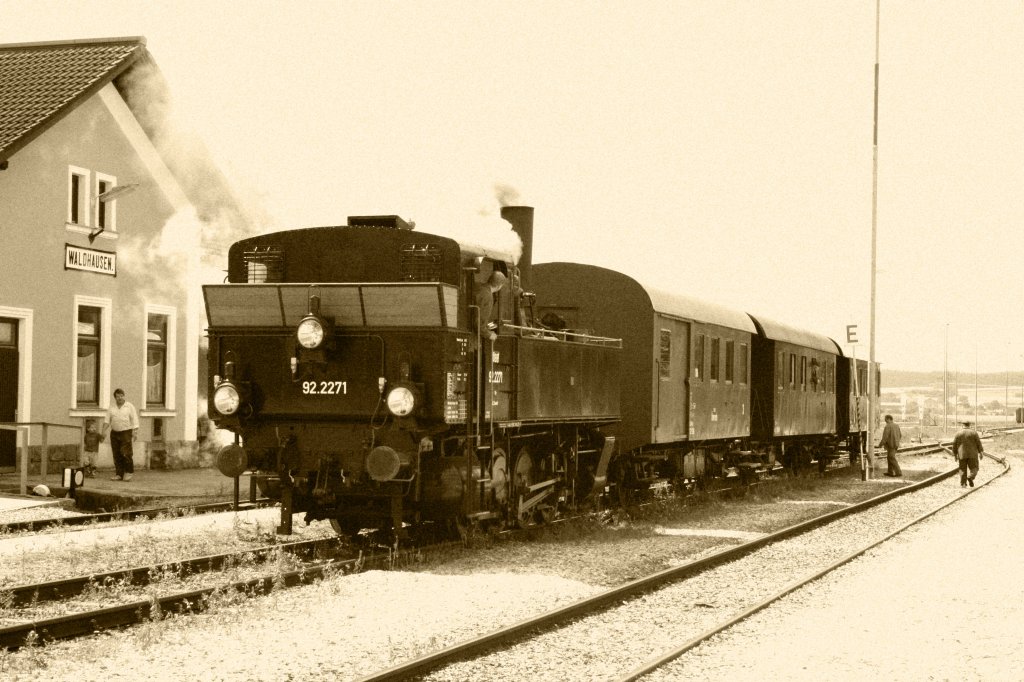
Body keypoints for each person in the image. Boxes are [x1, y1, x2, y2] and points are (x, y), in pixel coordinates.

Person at [102, 388, 139, 482]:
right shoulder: (111, 407)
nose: (120, 398)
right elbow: (107, 420)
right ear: (115, 398)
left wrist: (135, 432)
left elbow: (134, 419)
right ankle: (119, 474)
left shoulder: (129, 406)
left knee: (126, 453)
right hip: (114, 433)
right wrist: (103, 431)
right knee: (116, 454)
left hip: (126, 432)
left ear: (124, 396)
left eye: (121, 396)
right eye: (118, 396)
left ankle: (129, 472)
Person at [476, 270, 507, 341]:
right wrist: (489, 334)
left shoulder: (478, 287)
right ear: (499, 286)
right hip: (473, 338)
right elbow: (479, 324)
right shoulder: (488, 296)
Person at [952, 420, 984, 487]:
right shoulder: (974, 433)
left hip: (962, 455)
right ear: (969, 425)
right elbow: (978, 443)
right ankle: (970, 477)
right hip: (973, 455)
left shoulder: (958, 433)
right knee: (974, 468)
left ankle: (963, 484)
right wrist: (981, 452)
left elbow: (954, 445)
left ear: (962, 425)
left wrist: (955, 455)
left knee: (962, 469)